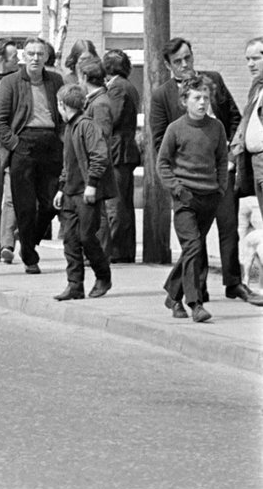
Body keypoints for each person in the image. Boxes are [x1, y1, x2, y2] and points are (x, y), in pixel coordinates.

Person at [147, 37, 256, 305]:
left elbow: (233, 116)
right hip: (188, 179)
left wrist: (231, 152)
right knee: (197, 235)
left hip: (222, 169)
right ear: (168, 65)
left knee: (229, 227)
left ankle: (234, 283)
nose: (185, 65)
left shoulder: (213, 80)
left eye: (188, 57)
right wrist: (177, 177)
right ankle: (198, 287)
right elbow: (160, 141)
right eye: (177, 62)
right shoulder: (163, 95)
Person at [0, 37, 63, 275]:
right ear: (23, 57)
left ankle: (27, 235)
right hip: (24, 145)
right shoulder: (11, 82)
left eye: (40, 54)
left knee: (51, 203)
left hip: (50, 145)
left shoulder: (55, 81)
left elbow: (62, 114)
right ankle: (29, 255)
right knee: (25, 206)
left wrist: (61, 139)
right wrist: (16, 144)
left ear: (46, 58)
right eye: (30, 53)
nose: (35, 58)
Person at [157, 77, 230, 323]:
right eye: (196, 98)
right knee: (194, 248)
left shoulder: (216, 127)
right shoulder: (175, 128)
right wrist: (177, 189)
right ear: (184, 101)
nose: (202, 103)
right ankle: (195, 303)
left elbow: (222, 159)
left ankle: (173, 294)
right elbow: (163, 164)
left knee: (193, 249)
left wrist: (221, 187)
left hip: (209, 196)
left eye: (206, 98)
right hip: (185, 198)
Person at [52, 84, 114, 302]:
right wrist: (61, 188)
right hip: (70, 192)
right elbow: (67, 163)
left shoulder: (87, 126)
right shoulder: (70, 127)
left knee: (87, 237)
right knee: (70, 239)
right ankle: (74, 285)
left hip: (86, 193)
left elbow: (100, 155)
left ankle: (103, 276)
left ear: (61, 104)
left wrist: (92, 184)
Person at [101, 49, 142, 263]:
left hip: (117, 150)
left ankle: (114, 249)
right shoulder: (128, 85)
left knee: (115, 204)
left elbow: (112, 117)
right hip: (125, 150)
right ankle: (124, 250)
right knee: (124, 204)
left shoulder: (117, 87)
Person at [234, 36, 263, 206]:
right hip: (254, 164)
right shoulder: (256, 88)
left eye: (255, 59)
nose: (250, 64)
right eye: (247, 59)